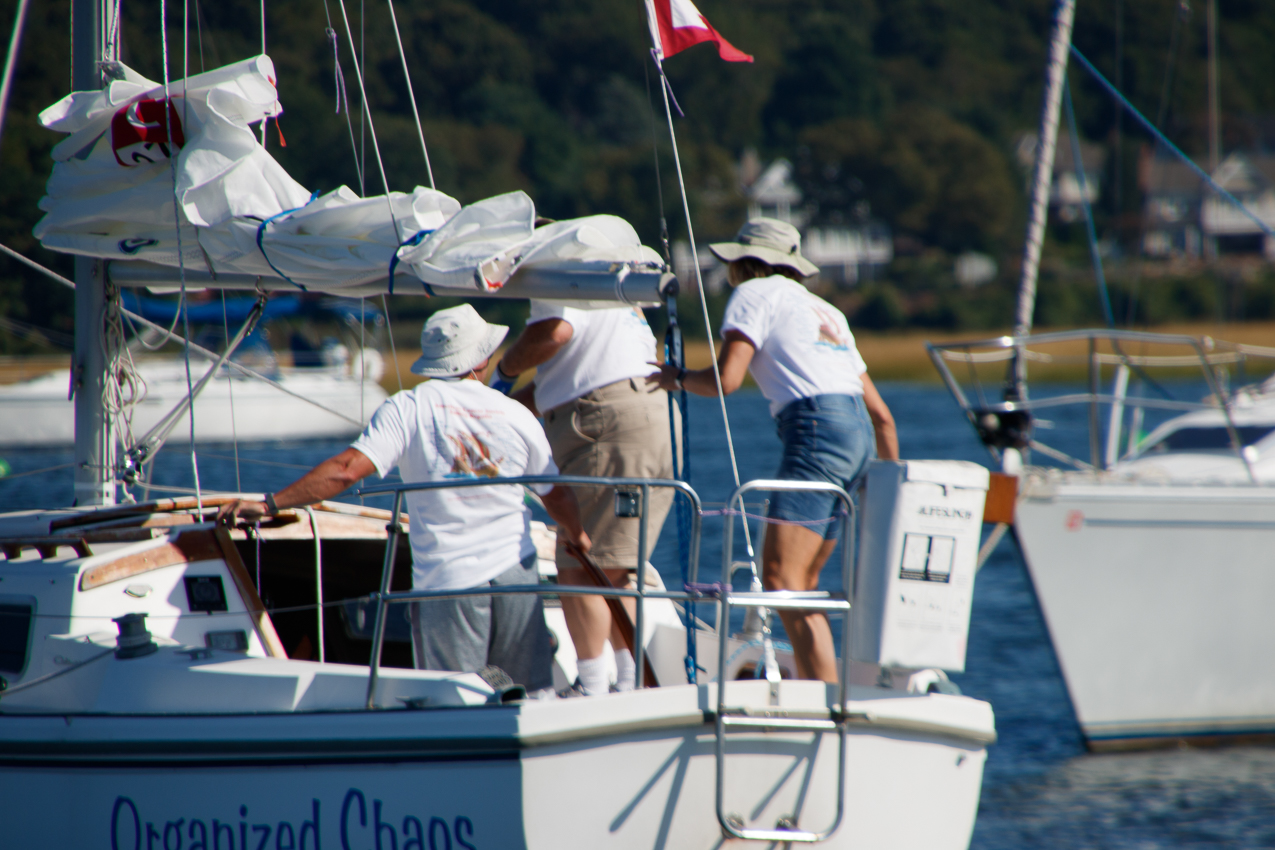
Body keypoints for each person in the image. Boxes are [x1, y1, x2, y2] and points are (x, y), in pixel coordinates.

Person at [220, 304, 590, 695]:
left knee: (455, 698)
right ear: (482, 359)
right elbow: (558, 494)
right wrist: (577, 534)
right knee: (531, 694)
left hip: (451, 580)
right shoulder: (516, 414)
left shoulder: (409, 407)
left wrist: (270, 504)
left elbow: (346, 470)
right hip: (517, 574)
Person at [649, 217, 898, 683]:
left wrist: (674, 377)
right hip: (858, 438)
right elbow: (882, 415)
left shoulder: (752, 294)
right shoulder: (827, 312)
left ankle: (822, 696)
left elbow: (726, 380)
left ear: (746, 264)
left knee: (783, 581)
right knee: (801, 586)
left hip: (816, 433)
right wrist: (887, 492)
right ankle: (822, 692)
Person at [490, 300, 673, 696]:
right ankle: (628, 683)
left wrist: (503, 372)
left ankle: (593, 687)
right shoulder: (611, 283)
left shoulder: (560, 268)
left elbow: (554, 333)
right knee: (616, 566)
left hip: (604, 424)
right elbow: (563, 383)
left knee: (578, 560)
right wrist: (495, 409)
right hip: (648, 416)